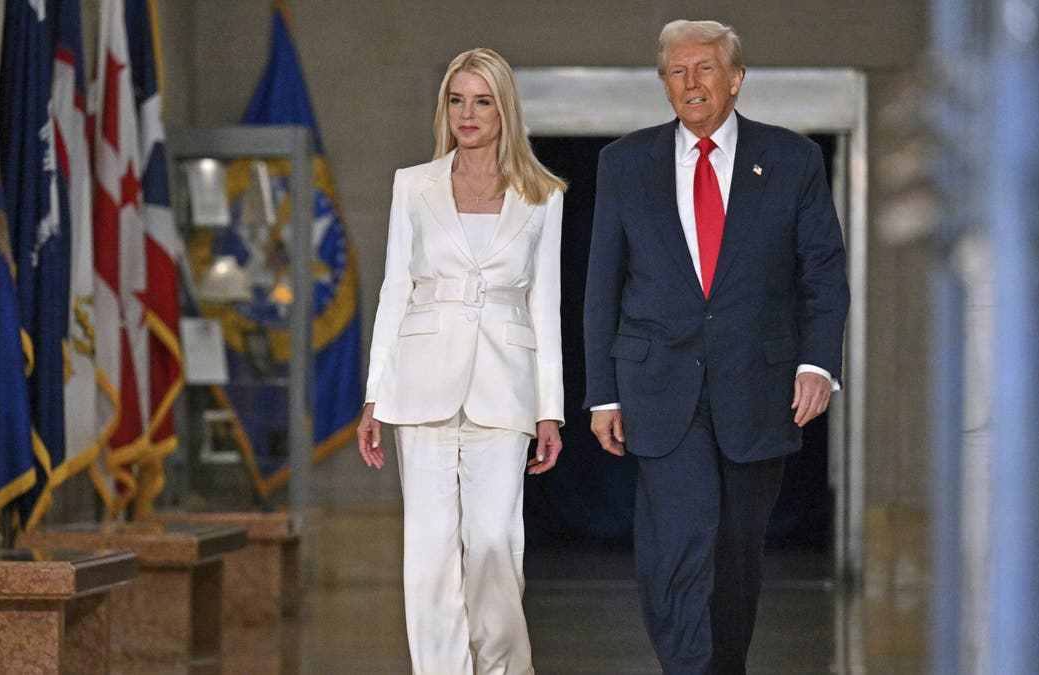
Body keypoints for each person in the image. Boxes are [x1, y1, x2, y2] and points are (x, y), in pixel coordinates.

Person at [583, 20, 849, 675]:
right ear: (663, 84)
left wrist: (818, 363)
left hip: (757, 388)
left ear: (735, 79)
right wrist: (602, 392)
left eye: (705, 69)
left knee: (735, 555)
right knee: (677, 543)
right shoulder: (625, 163)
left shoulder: (791, 161)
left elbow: (822, 270)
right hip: (657, 387)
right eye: (677, 70)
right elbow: (601, 286)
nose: (691, 82)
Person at [357, 47, 566, 674]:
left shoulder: (543, 194)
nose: (468, 114)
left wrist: (549, 409)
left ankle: (504, 668)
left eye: (482, 101)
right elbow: (396, 290)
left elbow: (546, 306)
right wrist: (375, 395)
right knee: (427, 556)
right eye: (456, 99)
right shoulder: (411, 186)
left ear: (505, 109)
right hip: (420, 385)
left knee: (497, 545)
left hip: (505, 389)